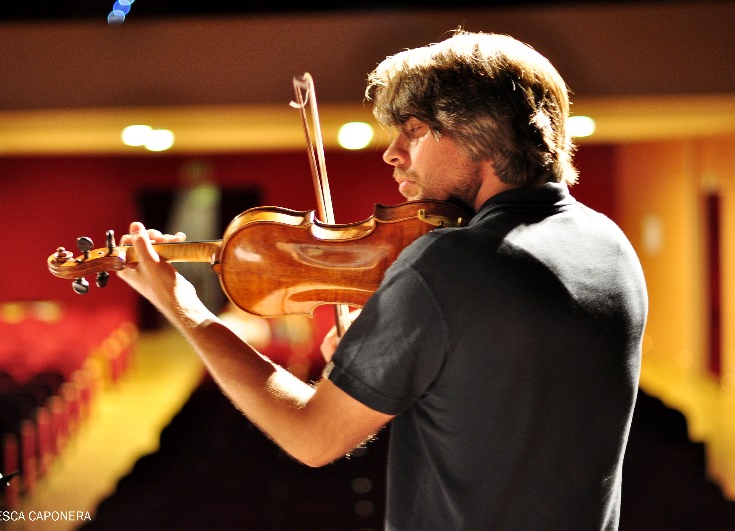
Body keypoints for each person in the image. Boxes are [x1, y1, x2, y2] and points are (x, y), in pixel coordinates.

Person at [118, 30, 648, 530]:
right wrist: (389, 362)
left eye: (414, 131)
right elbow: (501, 413)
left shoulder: (447, 263)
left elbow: (312, 436)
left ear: (481, 134)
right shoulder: (610, 247)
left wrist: (184, 307)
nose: (393, 153)